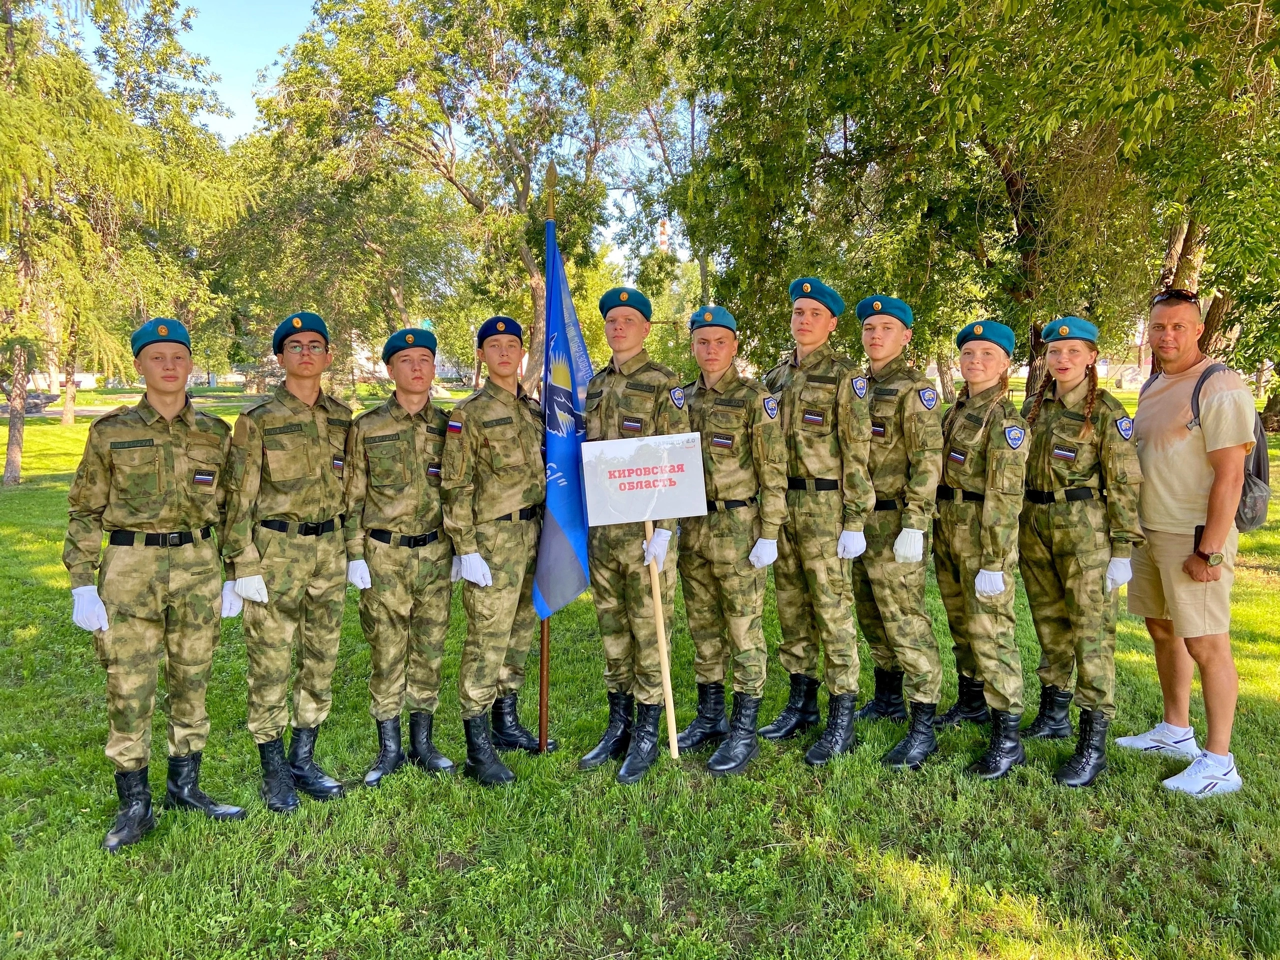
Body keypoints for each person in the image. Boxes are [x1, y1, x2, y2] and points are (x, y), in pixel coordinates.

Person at [66, 318, 245, 853]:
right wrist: (81, 582)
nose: (170, 365)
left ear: (190, 363)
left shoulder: (214, 432)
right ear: (140, 365)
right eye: (157, 357)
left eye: (179, 356)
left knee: (193, 679)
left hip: (196, 563)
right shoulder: (111, 432)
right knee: (130, 686)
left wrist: (236, 570)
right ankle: (134, 802)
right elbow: (83, 510)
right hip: (130, 567)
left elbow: (233, 507)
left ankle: (185, 787)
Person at [1121, 289, 1253, 796]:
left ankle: (1219, 762)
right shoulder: (1156, 383)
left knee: (1206, 642)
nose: (1167, 336)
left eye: (1178, 326)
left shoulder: (1218, 385)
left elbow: (1231, 477)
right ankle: (1176, 731)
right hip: (1150, 529)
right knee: (1162, 629)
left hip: (1193, 536)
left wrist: (1209, 550)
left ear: (1198, 329)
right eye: (1158, 327)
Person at [224, 312, 354, 813]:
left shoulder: (343, 418)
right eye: (294, 346)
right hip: (276, 553)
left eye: (314, 345)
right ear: (280, 358)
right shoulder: (257, 421)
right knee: (271, 662)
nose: (305, 353)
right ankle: (274, 769)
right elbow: (239, 499)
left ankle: (304, 757)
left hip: (330, 552)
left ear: (327, 356)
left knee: (321, 658)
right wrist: (243, 564)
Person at [1019, 316, 1143, 787]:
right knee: (1051, 627)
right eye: (1055, 352)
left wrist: (1122, 549)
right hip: (1035, 528)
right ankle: (1054, 713)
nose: (1063, 359)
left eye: (1073, 352)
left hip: (1085, 533)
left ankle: (1093, 742)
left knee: (1091, 635)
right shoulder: (1035, 406)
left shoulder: (1109, 412)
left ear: (1091, 356)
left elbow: (1125, 484)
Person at [759, 278, 874, 767]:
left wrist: (855, 519)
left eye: (814, 314)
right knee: (791, 608)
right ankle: (801, 702)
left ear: (830, 323)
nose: (803, 320)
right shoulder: (775, 377)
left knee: (832, 609)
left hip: (826, 509)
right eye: (797, 312)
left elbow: (858, 452)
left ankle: (841, 714)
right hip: (781, 507)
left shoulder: (847, 377)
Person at [579, 287, 690, 784]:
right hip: (604, 531)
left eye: (628, 320)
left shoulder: (666, 384)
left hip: (646, 533)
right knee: (613, 631)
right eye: (611, 321)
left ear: (646, 328)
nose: (618, 327)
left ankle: (647, 729)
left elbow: (677, 458)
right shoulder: (595, 386)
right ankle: (618, 723)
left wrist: (666, 530)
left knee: (649, 632)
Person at [675, 306, 788, 775]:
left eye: (719, 341)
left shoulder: (754, 400)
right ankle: (710, 717)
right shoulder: (680, 399)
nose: (710, 349)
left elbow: (774, 472)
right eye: (702, 341)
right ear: (693, 346)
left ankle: (744, 730)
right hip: (693, 529)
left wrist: (770, 532)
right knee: (704, 630)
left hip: (739, 527)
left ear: (734, 345)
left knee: (744, 632)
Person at [344, 328, 457, 787]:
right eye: (406, 360)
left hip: (434, 551)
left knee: (429, 649)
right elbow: (352, 495)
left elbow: (458, 489)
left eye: (424, 359)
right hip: (383, 554)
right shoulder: (367, 427)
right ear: (390, 370)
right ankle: (389, 747)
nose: (416, 367)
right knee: (387, 651)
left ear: (433, 367)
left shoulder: (450, 426)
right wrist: (355, 554)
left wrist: (460, 548)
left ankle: (423, 743)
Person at [441, 316, 551, 787]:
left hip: (534, 535)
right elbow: (455, 483)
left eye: (512, 345)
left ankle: (506, 723)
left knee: (519, 633)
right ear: (482, 356)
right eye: (495, 346)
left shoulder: (534, 409)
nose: (505, 352)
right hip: (492, 542)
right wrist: (465, 548)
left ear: (522, 354)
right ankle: (477, 745)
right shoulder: (469, 413)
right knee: (487, 640)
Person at [849, 295, 945, 771]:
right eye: (869, 327)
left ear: (905, 336)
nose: (876, 335)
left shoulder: (915, 389)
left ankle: (923, 723)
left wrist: (916, 522)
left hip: (895, 522)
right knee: (871, 615)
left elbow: (928, 460)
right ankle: (886, 697)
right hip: (858, 520)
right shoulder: (857, 386)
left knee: (906, 621)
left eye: (887, 327)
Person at [931, 321, 1029, 779]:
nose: (975, 362)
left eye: (987, 354)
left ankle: (1007, 737)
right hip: (947, 529)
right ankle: (971, 703)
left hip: (981, 533)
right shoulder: (956, 411)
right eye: (969, 353)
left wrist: (994, 560)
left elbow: (1005, 499)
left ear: (1005, 362)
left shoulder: (1005, 420)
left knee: (991, 632)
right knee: (962, 625)